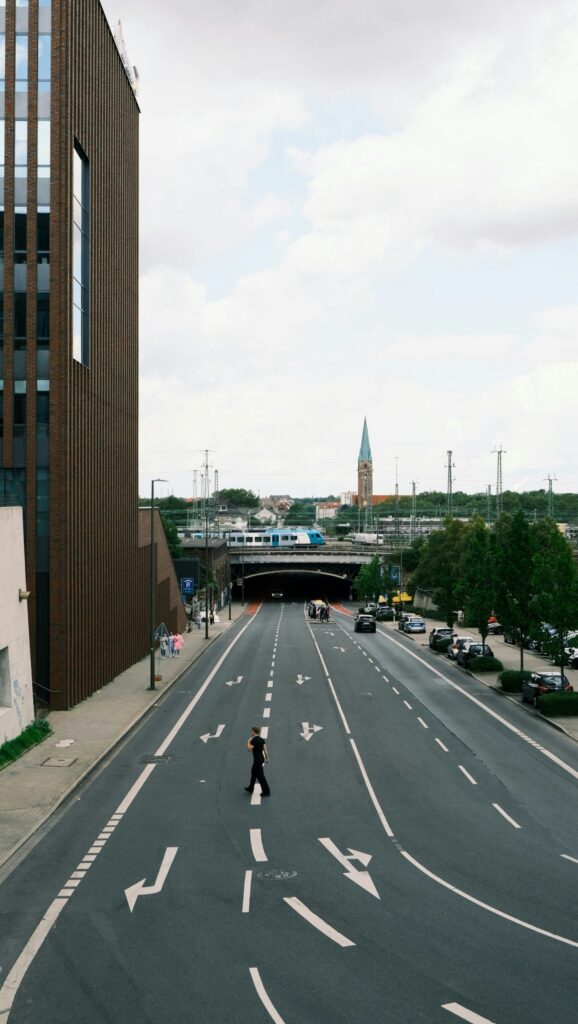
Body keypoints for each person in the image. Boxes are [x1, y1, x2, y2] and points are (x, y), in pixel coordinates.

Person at [245, 726, 270, 797]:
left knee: (260, 776)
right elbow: (265, 750)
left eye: (252, 731)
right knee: (253, 773)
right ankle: (250, 788)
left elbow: (249, 749)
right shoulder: (262, 740)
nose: (251, 732)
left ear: (253, 732)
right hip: (261, 759)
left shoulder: (253, 740)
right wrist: (267, 758)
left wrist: (248, 742)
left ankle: (266, 791)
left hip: (257, 760)